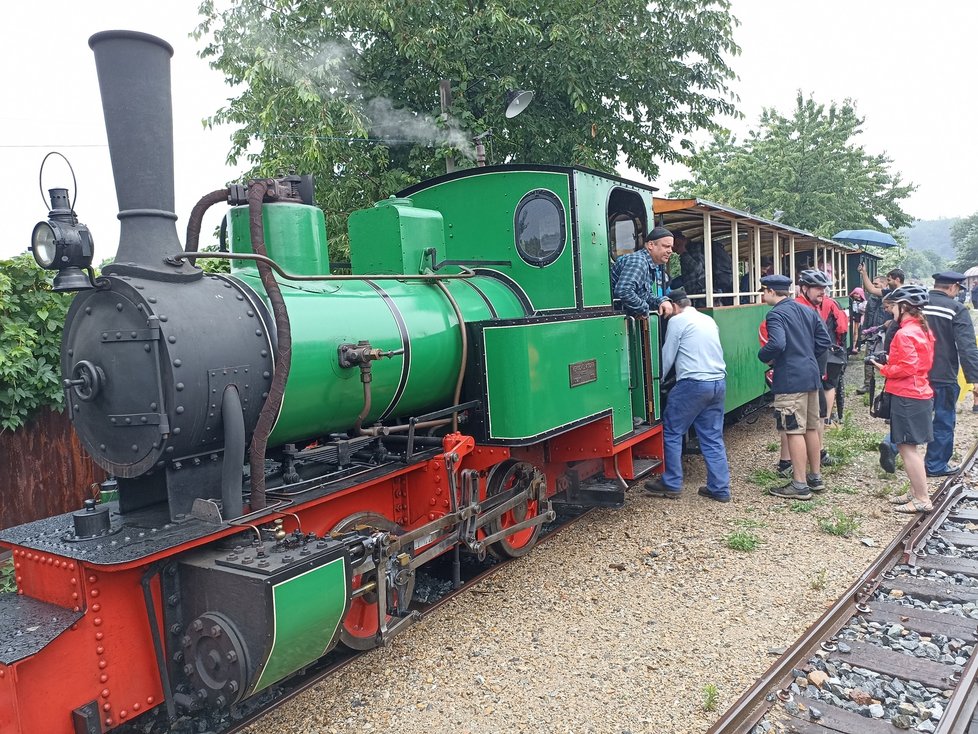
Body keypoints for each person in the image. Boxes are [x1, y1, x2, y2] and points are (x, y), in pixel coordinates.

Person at [644, 289, 731, 502]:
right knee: (712, 437)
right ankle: (720, 488)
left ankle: (672, 483)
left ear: (674, 305)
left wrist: (655, 382)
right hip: (718, 382)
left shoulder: (677, 321)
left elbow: (668, 356)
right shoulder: (707, 320)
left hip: (693, 384)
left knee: (672, 431)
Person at [757, 274, 831, 500]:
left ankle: (799, 485)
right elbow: (824, 341)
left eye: (763, 291)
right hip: (811, 376)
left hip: (790, 378)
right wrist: (806, 356)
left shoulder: (776, 314)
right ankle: (815, 477)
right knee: (810, 427)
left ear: (770, 291)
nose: (763, 295)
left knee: (792, 429)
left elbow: (777, 343)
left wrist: (765, 356)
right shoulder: (807, 310)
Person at [869, 285, 935, 513]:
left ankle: (922, 499)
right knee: (910, 447)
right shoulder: (922, 329)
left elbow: (907, 367)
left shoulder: (905, 333)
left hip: (908, 394)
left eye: (894, 306)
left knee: (907, 448)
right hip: (918, 392)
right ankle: (916, 492)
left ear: (904, 307)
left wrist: (884, 368)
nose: (890, 311)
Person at [922, 271, 978, 476]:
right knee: (943, 420)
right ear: (954, 287)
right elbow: (967, 346)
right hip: (943, 372)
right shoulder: (956, 309)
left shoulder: (917, 304)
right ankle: (935, 465)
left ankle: (891, 444)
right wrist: (974, 378)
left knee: (912, 414)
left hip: (916, 371)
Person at [795, 269, 848, 424]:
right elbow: (842, 328)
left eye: (824, 288)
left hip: (818, 356)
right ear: (805, 288)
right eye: (818, 288)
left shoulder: (814, 305)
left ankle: (821, 420)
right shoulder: (804, 307)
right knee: (829, 384)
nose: (822, 292)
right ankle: (826, 419)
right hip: (821, 354)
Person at [610, 226, 675, 319]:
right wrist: (644, 309)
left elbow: (645, 296)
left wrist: (661, 301)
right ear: (650, 245)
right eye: (666, 246)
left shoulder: (648, 264)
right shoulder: (639, 261)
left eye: (671, 247)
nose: (670, 251)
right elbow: (623, 291)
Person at [671, 230, 734, 306]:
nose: (672, 250)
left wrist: (683, 252)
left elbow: (697, 269)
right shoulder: (690, 250)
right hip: (699, 295)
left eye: (671, 246)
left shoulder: (694, 249)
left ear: (677, 241)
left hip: (702, 295)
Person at [849, 287, 866, 354]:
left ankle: (854, 346)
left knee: (856, 332)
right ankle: (852, 346)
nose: (856, 295)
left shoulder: (863, 302)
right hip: (853, 317)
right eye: (855, 293)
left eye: (858, 294)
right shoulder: (851, 300)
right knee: (852, 331)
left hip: (858, 317)